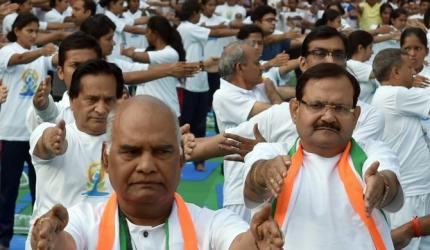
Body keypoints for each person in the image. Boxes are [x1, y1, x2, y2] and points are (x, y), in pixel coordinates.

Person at [30, 95, 284, 250]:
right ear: (106, 159)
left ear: (181, 159)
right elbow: (67, 241)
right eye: (131, 152)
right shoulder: (82, 221)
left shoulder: (212, 225)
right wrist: (51, 240)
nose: (146, 166)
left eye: (162, 152)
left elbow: (237, 242)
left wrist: (256, 242)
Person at [243, 63, 403, 249]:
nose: (328, 117)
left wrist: (382, 187)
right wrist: (265, 173)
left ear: (355, 116)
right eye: (317, 105)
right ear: (295, 110)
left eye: (340, 108)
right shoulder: (273, 154)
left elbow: (390, 188)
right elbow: (253, 189)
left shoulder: (373, 153)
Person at [187, 26, 385, 163]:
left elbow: (347, 163)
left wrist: (267, 154)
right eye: (320, 53)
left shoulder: (368, 116)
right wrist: (179, 146)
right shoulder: (279, 114)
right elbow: (223, 142)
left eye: (338, 54)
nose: (330, 61)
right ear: (303, 64)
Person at [26, 59, 124, 249]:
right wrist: (52, 142)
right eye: (92, 99)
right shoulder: (55, 131)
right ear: (72, 99)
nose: (101, 109)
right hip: (51, 243)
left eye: (109, 100)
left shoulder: (128, 144)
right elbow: (44, 144)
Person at [0, 13, 56, 249]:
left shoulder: (43, 56)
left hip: (36, 133)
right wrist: (43, 50)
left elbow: (56, 60)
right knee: (7, 190)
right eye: (29, 31)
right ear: (16, 30)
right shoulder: (6, 51)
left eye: (36, 31)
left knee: (41, 189)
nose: (33, 35)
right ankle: (3, 240)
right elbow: (19, 59)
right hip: (10, 133)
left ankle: (40, 239)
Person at [212, 41, 282, 221]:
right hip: (239, 189)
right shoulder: (224, 96)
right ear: (240, 67)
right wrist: (274, 94)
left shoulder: (257, 87)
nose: (261, 67)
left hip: (269, 182)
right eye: (257, 63)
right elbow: (280, 113)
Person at [372, 48, 430, 250]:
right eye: (409, 69)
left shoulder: (387, 94)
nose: (413, 73)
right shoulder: (394, 94)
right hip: (413, 192)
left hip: (413, 188)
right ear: (396, 72)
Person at [177, 0, 238, 171]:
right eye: (199, 13)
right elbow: (215, 32)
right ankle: (181, 156)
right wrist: (238, 30)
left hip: (200, 79)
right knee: (187, 121)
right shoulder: (187, 27)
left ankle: (199, 159)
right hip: (189, 81)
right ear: (194, 14)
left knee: (201, 121)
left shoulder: (191, 27)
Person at [26, 31, 103, 132]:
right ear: (61, 72)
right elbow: (48, 116)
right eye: (76, 65)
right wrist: (43, 108)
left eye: (90, 65)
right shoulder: (48, 110)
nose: (83, 71)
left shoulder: (115, 109)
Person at [120, 15, 186, 117]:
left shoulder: (171, 53)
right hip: (145, 110)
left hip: (165, 109)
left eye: (147, 32)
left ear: (155, 33)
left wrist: (125, 51)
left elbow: (138, 56)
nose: (145, 35)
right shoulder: (149, 51)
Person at [347, 30, 378, 103]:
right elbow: (383, 72)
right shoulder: (351, 64)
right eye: (370, 48)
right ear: (360, 48)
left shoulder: (366, 64)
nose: (372, 52)